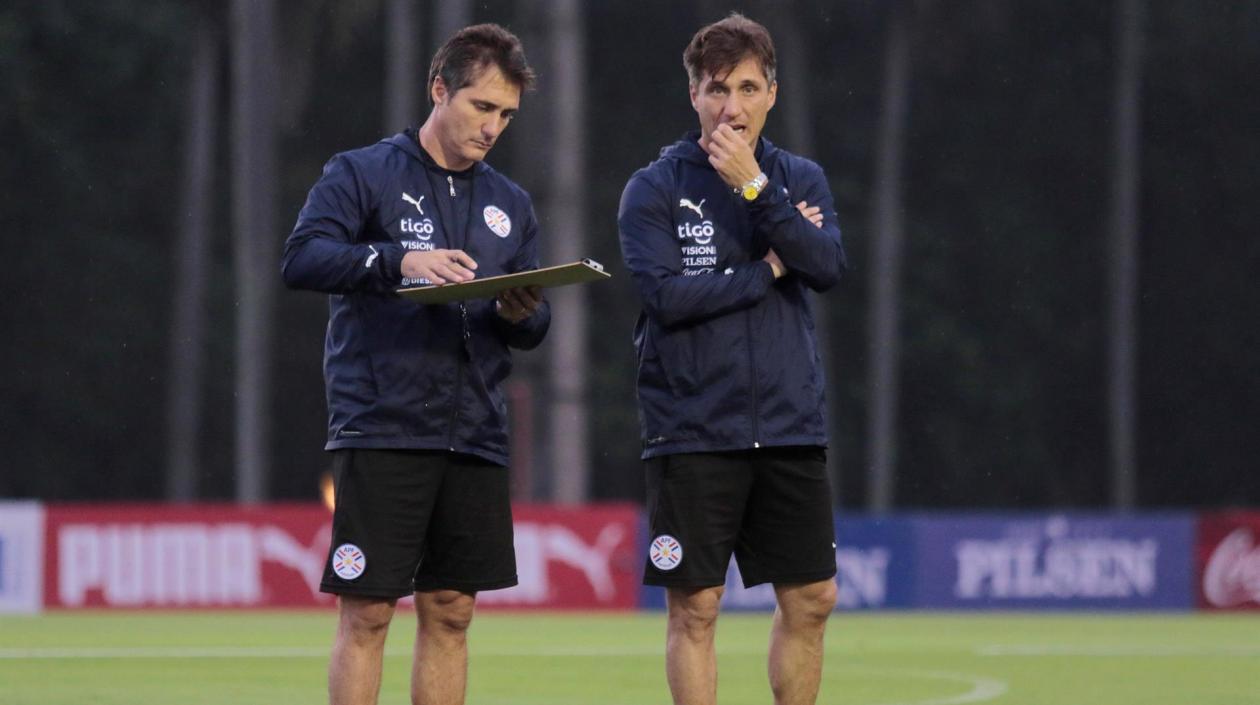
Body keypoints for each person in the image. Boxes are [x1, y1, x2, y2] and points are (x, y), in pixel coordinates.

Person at [281, 24, 548, 705]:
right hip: (384, 423)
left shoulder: (510, 204)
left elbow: (531, 321)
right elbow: (303, 258)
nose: (493, 127)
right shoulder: (363, 172)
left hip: (475, 430)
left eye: (506, 114)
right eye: (482, 107)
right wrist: (399, 259)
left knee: (453, 610)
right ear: (439, 89)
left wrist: (522, 312)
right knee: (369, 609)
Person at [617, 13, 847, 705]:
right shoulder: (653, 188)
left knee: (812, 596)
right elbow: (665, 297)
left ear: (772, 93)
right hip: (692, 425)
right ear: (694, 94)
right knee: (696, 606)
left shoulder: (797, 178)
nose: (733, 106)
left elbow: (827, 264)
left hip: (787, 422)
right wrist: (767, 271)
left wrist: (756, 189)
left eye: (748, 87)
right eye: (718, 88)